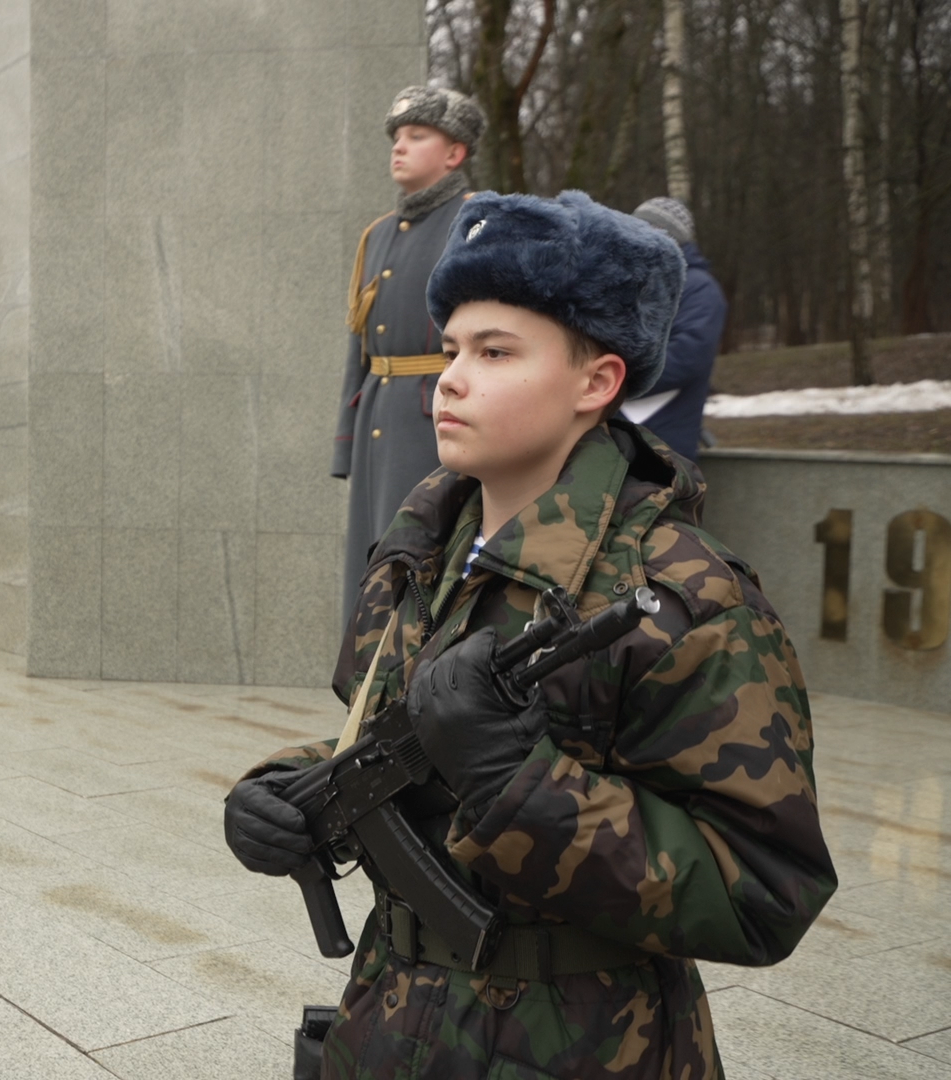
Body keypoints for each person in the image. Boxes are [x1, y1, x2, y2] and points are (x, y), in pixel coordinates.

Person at [226, 191, 834, 1079]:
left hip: (578, 1045)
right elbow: (406, 732)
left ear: (598, 383)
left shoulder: (685, 595)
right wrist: (290, 790)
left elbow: (766, 895)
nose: (452, 379)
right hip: (388, 1027)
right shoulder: (420, 547)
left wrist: (521, 786)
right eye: (451, 350)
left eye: (496, 352)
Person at [334, 86, 485, 634]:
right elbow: (361, 345)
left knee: (423, 557)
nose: (399, 147)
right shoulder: (377, 234)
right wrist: (346, 439)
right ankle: (370, 669)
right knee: (371, 557)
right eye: (397, 138)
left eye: (417, 136)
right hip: (379, 412)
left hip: (436, 417)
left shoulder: (476, 222)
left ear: (455, 153)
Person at [623, 196, 727, 462]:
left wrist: (615, 381)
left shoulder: (699, 289)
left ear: (667, 238)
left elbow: (687, 358)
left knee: (651, 504)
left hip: (662, 437)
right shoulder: (627, 284)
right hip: (611, 432)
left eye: (645, 230)